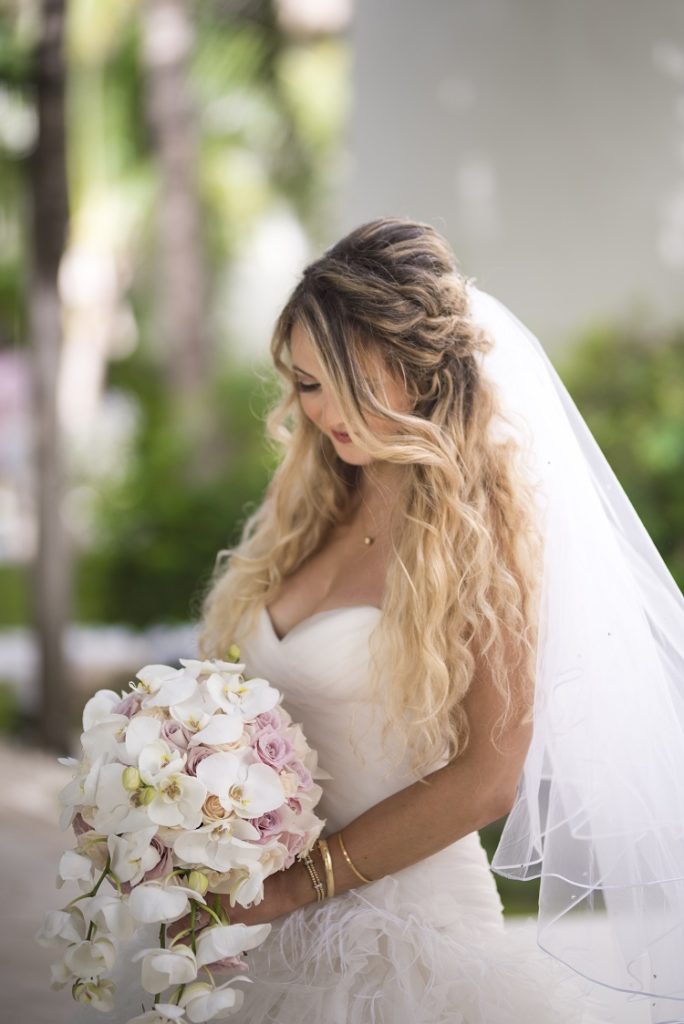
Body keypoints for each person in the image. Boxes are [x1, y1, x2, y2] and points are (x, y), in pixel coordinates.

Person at [180, 216, 647, 1024]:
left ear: (410, 363)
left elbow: (488, 778)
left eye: (344, 378)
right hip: (262, 934)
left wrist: (300, 884)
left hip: (406, 947)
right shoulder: (311, 505)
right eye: (307, 382)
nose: (323, 410)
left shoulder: (489, 531)